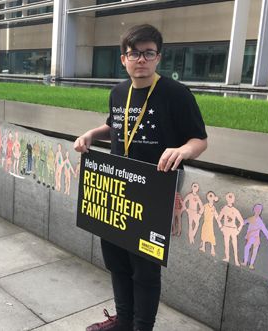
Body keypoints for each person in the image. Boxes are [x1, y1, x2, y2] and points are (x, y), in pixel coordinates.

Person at [73, 24, 207, 331]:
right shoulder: (119, 92)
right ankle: (124, 321)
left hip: (155, 193)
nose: (141, 59)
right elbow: (116, 127)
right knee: (116, 260)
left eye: (149, 53)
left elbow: (199, 139)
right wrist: (92, 134)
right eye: (135, 53)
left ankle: (141, 327)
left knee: (145, 270)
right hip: (119, 189)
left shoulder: (176, 94)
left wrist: (183, 151)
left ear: (158, 57)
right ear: (124, 59)